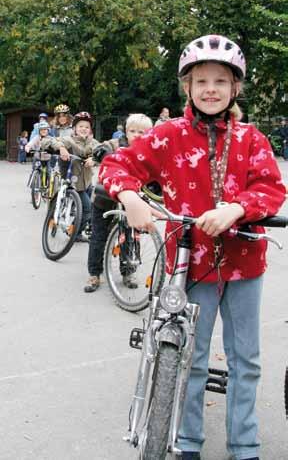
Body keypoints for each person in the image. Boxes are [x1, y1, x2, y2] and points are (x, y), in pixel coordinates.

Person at [98, 34, 286, 460]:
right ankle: (187, 442)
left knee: (246, 361)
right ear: (187, 87)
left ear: (235, 87)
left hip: (244, 264)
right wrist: (128, 196)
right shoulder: (167, 136)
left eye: (220, 80)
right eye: (201, 80)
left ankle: (244, 444)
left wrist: (237, 208)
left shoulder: (252, 139)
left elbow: (272, 188)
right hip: (190, 265)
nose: (211, 89)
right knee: (189, 357)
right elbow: (116, 165)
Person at [84, 113, 153, 293]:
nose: (137, 135)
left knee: (130, 236)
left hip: (131, 202)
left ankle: (128, 272)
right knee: (99, 236)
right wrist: (106, 155)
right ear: (125, 132)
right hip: (105, 198)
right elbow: (99, 148)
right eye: (132, 131)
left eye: (142, 132)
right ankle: (94, 273)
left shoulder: (149, 151)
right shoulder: (116, 144)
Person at [41, 111, 117, 243]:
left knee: (94, 207)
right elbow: (48, 141)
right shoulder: (69, 140)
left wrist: (94, 159)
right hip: (72, 182)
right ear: (74, 128)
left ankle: (78, 228)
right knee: (87, 209)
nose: (84, 129)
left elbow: (104, 149)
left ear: (90, 130)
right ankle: (75, 234)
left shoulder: (92, 143)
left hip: (86, 182)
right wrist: (61, 148)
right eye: (80, 126)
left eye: (87, 127)